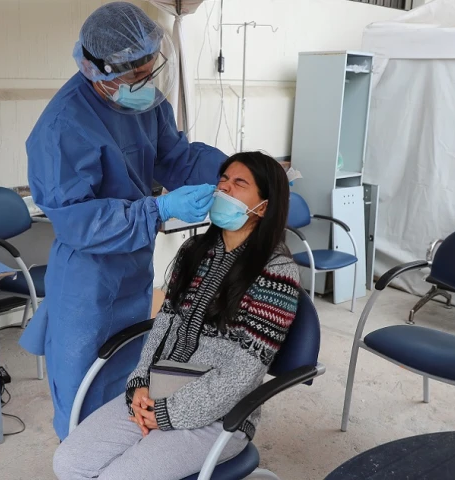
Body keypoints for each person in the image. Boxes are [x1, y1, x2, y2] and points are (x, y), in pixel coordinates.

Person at [19, 1, 229, 440]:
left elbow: (176, 157)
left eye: (151, 72)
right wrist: (159, 210)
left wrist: (231, 172)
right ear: (99, 71)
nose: (147, 85)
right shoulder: (62, 127)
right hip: (88, 275)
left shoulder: (144, 102)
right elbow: (78, 222)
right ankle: (81, 457)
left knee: (131, 373)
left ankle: (122, 452)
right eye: (137, 76)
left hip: (133, 263)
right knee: (84, 386)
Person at [53, 152, 301, 480]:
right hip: (159, 388)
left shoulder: (277, 272)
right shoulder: (193, 251)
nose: (224, 189)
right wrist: (140, 383)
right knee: (68, 462)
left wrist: (169, 413)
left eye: (239, 183)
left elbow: (245, 371)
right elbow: (164, 324)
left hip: (221, 416)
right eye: (223, 179)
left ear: (264, 206)